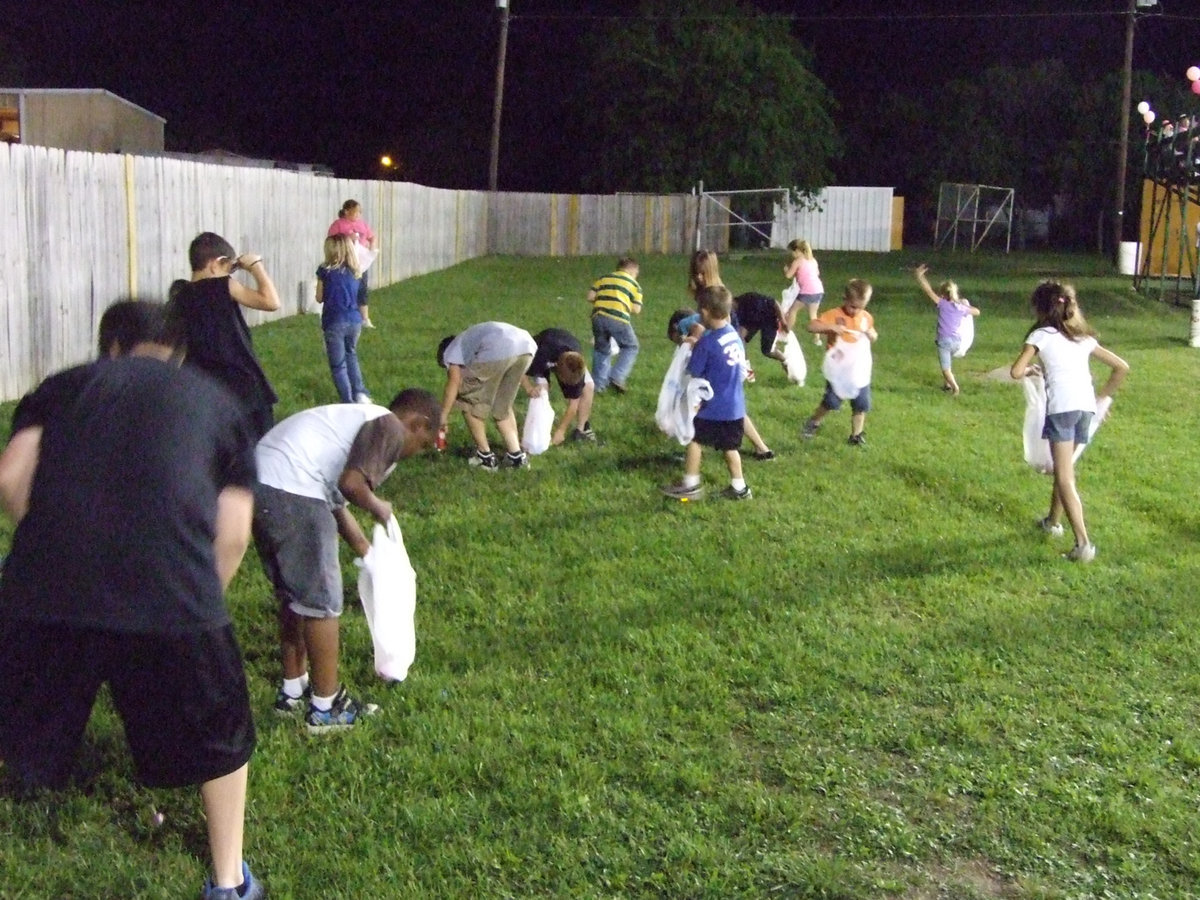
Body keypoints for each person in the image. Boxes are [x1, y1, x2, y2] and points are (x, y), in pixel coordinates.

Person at [0, 300, 265, 900]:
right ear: (177, 353)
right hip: (174, 592)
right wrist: (199, 601)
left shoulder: (65, 386)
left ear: (110, 347)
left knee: (15, 706)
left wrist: (46, 550)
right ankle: (228, 879)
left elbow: (11, 478)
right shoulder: (221, 403)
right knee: (222, 737)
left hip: (45, 589)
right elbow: (234, 531)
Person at [254, 389, 440, 731]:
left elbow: (335, 500)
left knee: (294, 596)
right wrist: (379, 506)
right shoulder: (388, 426)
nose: (415, 453)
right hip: (294, 488)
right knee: (322, 601)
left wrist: (367, 553)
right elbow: (352, 485)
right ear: (417, 424)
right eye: (424, 444)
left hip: (261, 481)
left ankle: (293, 690)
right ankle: (326, 708)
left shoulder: (356, 420)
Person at [1009, 280, 1128, 563]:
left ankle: (1083, 544)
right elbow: (1121, 367)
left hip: (1061, 410)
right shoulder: (1082, 338)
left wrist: (1030, 370)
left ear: (1041, 308)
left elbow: (1015, 371)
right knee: (1065, 468)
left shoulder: (1041, 335)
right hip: (1085, 409)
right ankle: (1053, 522)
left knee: (1064, 476)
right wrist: (1101, 400)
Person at [167, 231, 282, 442]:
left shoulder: (178, 295)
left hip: (203, 387)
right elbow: (271, 302)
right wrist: (256, 266)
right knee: (258, 451)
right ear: (215, 264)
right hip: (243, 385)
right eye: (229, 268)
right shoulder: (222, 285)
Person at [679, 250, 776, 460]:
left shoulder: (717, 294)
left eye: (702, 273)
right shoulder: (706, 292)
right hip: (719, 353)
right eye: (695, 273)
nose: (698, 277)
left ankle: (695, 447)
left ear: (711, 270)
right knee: (728, 405)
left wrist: (697, 338)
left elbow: (725, 329)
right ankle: (761, 448)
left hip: (725, 356)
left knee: (725, 405)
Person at [660, 285, 752, 501]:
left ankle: (690, 485)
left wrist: (691, 346)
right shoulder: (734, 335)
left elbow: (693, 370)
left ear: (707, 312)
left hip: (713, 408)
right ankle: (740, 487)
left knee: (695, 439)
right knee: (730, 447)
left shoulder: (708, 343)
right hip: (735, 406)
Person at [437, 321, 536, 470]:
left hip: (498, 350)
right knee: (502, 405)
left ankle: (485, 457)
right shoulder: (470, 342)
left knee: (469, 400)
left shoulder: (451, 351)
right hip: (527, 347)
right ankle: (516, 457)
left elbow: (454, 382)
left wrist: (443, 416)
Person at [801, 278, 878, 446]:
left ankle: (856, 435)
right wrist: (830, 328)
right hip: (838, 367)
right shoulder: (834, 315)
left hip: (857, 369)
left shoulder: (865, 318)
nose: (855, 311)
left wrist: (872, 335)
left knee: (861, 402)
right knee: (832, 401)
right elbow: (811, 326)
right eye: (852, 306)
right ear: (845, 299)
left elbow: (872, 332)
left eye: (860, 307)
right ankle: (813, 421)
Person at [316, 233, 371, 403]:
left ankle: (347, 400)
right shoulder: (357, 272)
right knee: (351, 355)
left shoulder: (324, 271)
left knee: (338, 365)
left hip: (334, 321)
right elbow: (361, 298)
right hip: (354, 321)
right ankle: (360, 393)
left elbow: (319, 297)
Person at [913, 264, 981, 395]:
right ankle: (947, 384)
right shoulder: (960, 308)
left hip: (944, 342)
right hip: (957, 342)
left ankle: (955, 387)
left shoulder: (942, 304)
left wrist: (919, 277)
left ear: (943, 295)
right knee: (949, 361)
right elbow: (977, 312)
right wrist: (965, 306)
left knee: (945, 368)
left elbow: (928, 291)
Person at [522, 327, 596, 444]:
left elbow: (574, 402)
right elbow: (520, 371)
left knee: (589, 386)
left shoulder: (576, 363)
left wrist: (561, 430)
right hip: (542, 350)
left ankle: (581, 430)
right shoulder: (539, 355)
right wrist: (529, 388)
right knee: (541, 393)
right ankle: (538, 431)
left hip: (566, 354)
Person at [587, 256, 643, 393]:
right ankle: (617, 376)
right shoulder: (634, 285)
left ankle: (599, 386)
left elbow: (590, 296)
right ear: (632, 272)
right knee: (631, 346)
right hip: (618, 319)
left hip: (597, 317)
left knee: (602, 349)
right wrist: (622, 302)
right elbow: (636, 309)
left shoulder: (604, 278)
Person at [328, 199, 377, 328]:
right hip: (345, 261)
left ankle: (365, 318)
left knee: (362, 288)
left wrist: (371, 247)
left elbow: (372, 237)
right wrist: (347, 238)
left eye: (359, 212)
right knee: (347, 287)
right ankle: (345, 315)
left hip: (360, 262)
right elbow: (331, 241)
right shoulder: (338, 225)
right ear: (347, 211)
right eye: (356, 212)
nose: (358, 215)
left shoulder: (362, 224)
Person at [782, 238, 824, 339]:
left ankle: (786, 332)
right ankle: (817, 338)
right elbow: (817, 273)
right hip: (818, 290)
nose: (791, 255)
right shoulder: (812, 260)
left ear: (797, 251)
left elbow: (788, 275)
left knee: (793, 311)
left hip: (807, 291)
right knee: (813, 314)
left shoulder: (798, 261)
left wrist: (786, 270)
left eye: (792, 252)